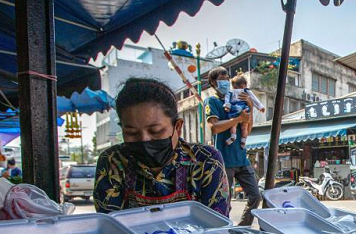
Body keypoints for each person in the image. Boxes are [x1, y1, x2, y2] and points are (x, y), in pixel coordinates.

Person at [93, 77, 229, 216]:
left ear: (177, 127)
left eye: (155, 131)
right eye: (131, 133)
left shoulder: (206, 160)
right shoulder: (112, 162)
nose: (144, 140)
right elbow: (111, 226)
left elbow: (217, 227)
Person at [205, 67, 261, 226]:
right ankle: (225, 233)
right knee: (225, 202)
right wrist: (237, 120)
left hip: (242, 158)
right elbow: (214, 127)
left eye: (227, 78)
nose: (225, 82)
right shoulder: (212, 101)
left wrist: (249, 108)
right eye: (222, 78)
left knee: (255, 196)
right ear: (213, 82)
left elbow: (248, 130)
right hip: (224, 160)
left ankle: (243, 228)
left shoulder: (238, 99)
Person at [223, 74, 265, 148]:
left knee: (233, 124)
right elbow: (254, 99)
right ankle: (243, 140)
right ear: (243, 85)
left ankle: (233, 136)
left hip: (235, 110)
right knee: (244, 127)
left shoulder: (230, 92)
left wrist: (227, 106)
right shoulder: (246, 91)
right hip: (245, 110)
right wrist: (260, 107)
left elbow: (227, 100)